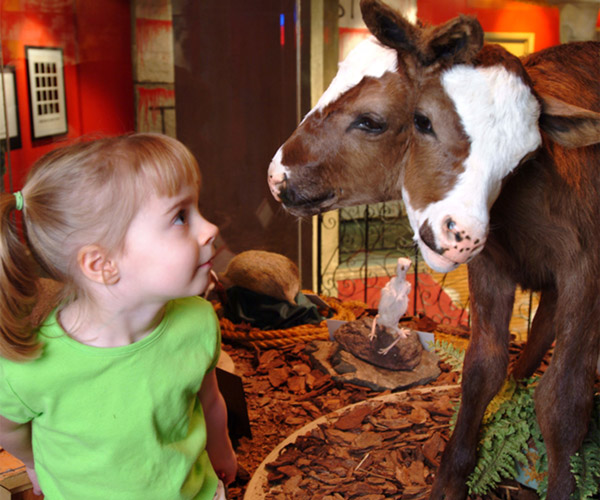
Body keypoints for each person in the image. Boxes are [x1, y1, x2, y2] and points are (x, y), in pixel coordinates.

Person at [0, 133, 237, 499]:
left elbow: (209, 400)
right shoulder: (27, 367)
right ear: (102, 264)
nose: (210, 229)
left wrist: (221, 449)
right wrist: (34, 464)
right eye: (180, 217)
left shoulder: (198, 322)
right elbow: (10, 431)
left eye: (197, 209)